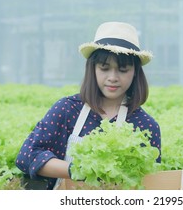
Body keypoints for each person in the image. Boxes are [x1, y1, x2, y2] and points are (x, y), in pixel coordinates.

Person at [15, 21, 161, 190]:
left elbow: (148, 184)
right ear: (93, 69)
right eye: (104, 68)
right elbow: (27, 157)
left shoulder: (145, 125)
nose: (113, 77)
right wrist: (78, 170)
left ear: (135, 73)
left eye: (123, 69)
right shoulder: (68, 109)